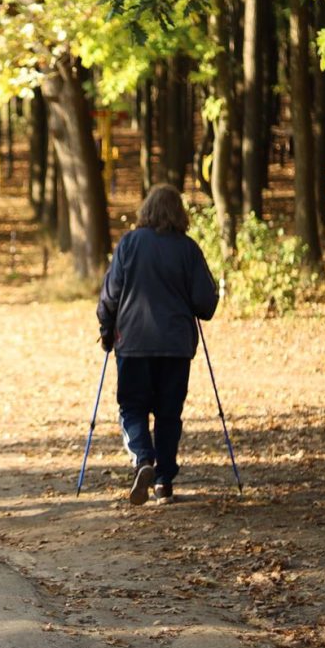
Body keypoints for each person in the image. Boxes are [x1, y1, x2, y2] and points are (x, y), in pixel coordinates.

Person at [96, 184, 219, 506]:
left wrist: (106, 327)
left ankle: (142, 459)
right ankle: (164, 482)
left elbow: (111, 292)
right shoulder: (188, 249)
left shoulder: (130, 244)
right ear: (179, 213)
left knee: (132, 406)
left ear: (146, 210)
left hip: (134, 342)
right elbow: (205, 304)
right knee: (168, 414)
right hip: (176, 346)